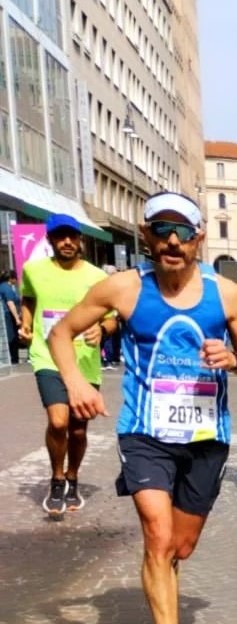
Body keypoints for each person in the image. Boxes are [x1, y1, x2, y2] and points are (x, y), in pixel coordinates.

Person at [48, 191, 237, 624]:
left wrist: (232, 359)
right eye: (162, 230)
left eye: (182, 232)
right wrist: (76, 383)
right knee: (158, 536)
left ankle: (163, 596)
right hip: (145, 432)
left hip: (207, 437)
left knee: (179, 547)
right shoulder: (123, 289)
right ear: (145, 235)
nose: (172, 241)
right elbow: (61, 333)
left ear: (197, 238)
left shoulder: (226, 294)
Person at [18, 214, 117, 516]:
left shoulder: (97, 277)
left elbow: (111, 319)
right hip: (47, 356)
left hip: (84, 361)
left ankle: (73, 476)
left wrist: (102, 330)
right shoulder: (33, 270)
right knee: (58, 422)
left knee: (77, 431)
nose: (67, 242)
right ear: (50, 240)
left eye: (72, 236)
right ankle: (57, 478)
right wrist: (25, 324)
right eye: (60, 237)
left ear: (80, 240)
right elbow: (30, 299)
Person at [0, 269, 21, 363]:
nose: (16, 280)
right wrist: (17, 318)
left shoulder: (2, 287)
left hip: (4, 315)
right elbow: (10, 304)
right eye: (15, 278)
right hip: (7, 315)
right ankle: (13, 360)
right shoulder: (7, 288)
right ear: (11, 278)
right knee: (11, 338)